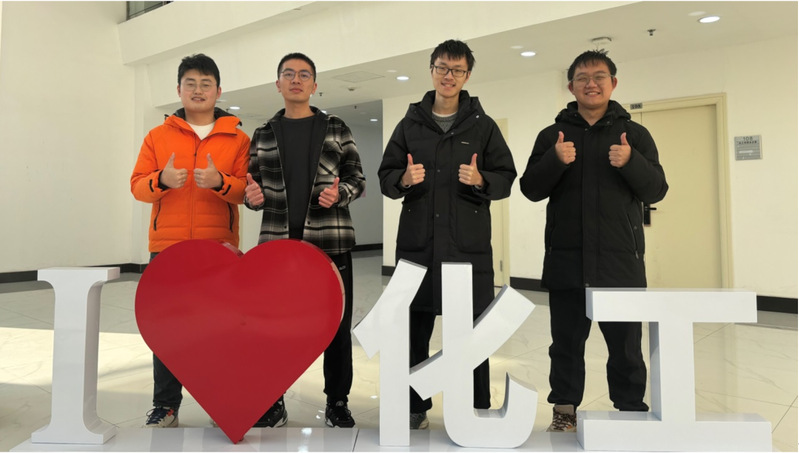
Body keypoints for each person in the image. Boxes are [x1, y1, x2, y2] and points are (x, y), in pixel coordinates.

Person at [519, 50, 668, 432]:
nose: (591, 83)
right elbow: (530, 189)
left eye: (599, 76)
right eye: (582, 77)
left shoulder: (634, 135)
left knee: (626, 348)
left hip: (620, 263)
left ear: (613, 83)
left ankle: (631, 411)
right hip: (567, 262)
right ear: (571, 87)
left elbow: (657, 190)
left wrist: (632, 161)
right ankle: (564, 412)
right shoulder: (552, 136)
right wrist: (554, 160)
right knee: (565, 346)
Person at [377, 39, 517, 430]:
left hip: (466, 249)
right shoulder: (409, 125)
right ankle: (413, 406)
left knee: (470, 334)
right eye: (442, 67)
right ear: (432, 71)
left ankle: (475, 408)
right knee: (413, 331)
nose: (448, 76)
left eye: (457, 70)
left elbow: (507, 177)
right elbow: (386, 176)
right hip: (418, 247)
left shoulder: (483, 126)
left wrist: (482, 179)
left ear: (467, 75)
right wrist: (404, 179)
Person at [243, 52, 366, 428]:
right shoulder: (264, 133)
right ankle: (273, 401)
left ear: (314, 85)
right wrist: (252, 198)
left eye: (304, 75)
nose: (296, 80)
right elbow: (251, 187)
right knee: (274, 327)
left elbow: (358, 180)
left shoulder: (336, 128)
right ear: (278, 83)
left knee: (337, 328)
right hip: (278, 247)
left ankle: (338, 402)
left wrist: (339, 193)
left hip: (330, 243)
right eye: (288, 74)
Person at [130, 53, 251, 428]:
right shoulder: (157, 136)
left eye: (205, 84)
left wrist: (221, 183)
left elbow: (246, 191)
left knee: (220, 329)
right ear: (179, 90)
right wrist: (161, 180)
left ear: (218, 90)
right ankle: (166, 405)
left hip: (218, 249)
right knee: (167, 331)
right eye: (191, 84)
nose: (198, 90)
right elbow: (138, 187)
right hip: (168, 248)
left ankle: (220, 401)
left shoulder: (238, 138)